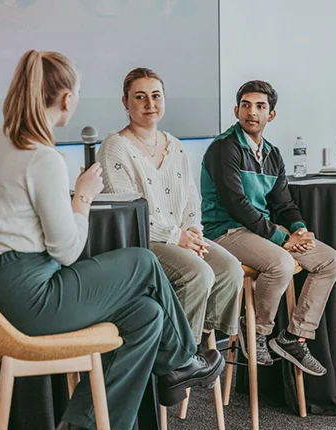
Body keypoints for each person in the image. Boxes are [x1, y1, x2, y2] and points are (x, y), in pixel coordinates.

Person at [0, 50, 224, 430]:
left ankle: (83, 424)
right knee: (143, 261)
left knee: (147, 316)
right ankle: (181, 362)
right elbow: (67, 251)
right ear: (66, 99)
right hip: (32, 298)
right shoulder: (43, 157)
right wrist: (83, 196)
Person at [201, 80, 336, 376]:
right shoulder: (223, 148)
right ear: (236, 111)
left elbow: (283, 202)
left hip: (258, 231)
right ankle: (256, 331)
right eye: (246, 105)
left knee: (329, 260)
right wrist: (281, 238)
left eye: (260, 106)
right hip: (226, 231)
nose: (252, 112)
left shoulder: (272, 154)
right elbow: (237, 204)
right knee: (280, 263)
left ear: (271, 114)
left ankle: (294, 337)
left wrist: (299, 229)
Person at [97, 68, 243, 348]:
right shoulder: (115, 147)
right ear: (125, 102)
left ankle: (200, 341)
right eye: (140, 97)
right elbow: (128, 213)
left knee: (229, 268)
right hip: (143, 242)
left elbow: (191, 199)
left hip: (180, 236)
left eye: (156, 96)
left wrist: (193, 231)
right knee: (197, 274)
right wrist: (177, 237)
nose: (150, 104)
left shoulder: (175, 146)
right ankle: (178, 354)